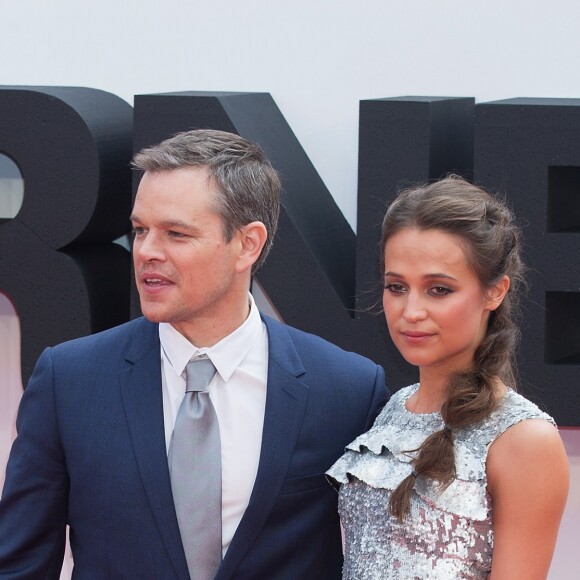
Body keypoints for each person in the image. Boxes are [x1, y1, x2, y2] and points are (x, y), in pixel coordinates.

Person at [0, 129, 388, 579]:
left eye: (176, 234)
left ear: (248, 244)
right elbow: (20, 566)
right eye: (140, 230)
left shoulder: (346, 389)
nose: (146, 252)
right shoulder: (68, 380)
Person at [327, 175, 569, 579]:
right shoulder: (390, 408)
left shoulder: (525, 439)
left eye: (438, 289)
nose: (411, 311)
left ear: (494, 292)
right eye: (396, 287)